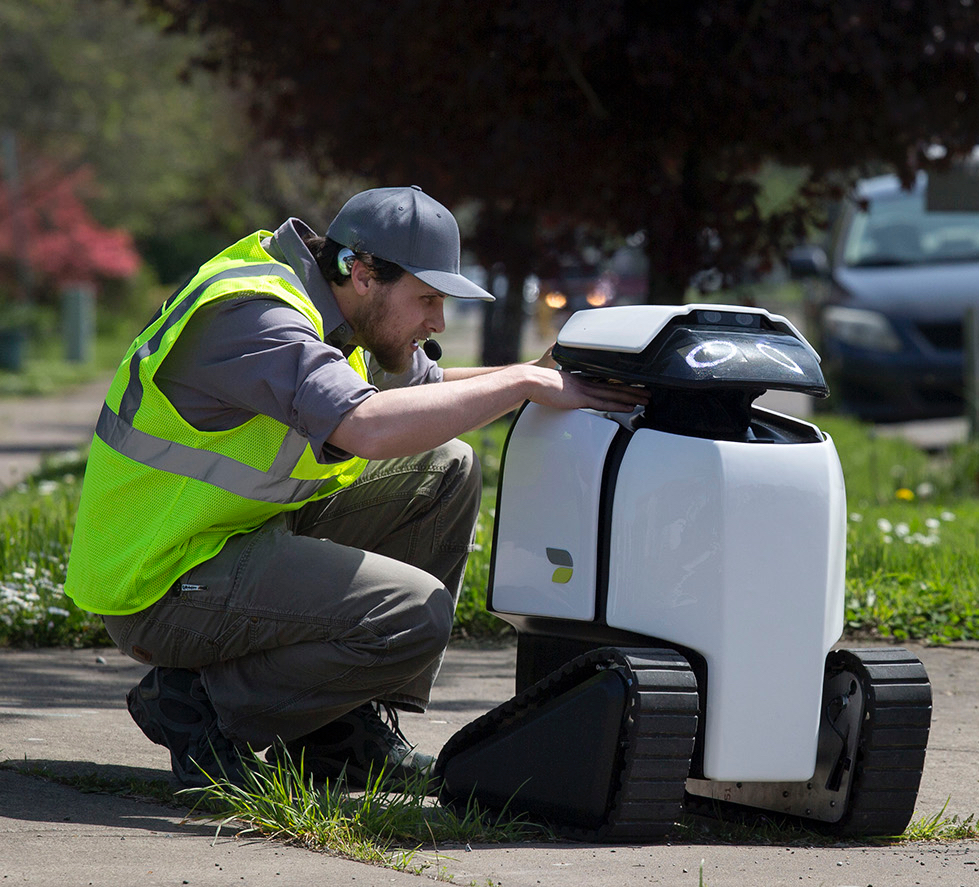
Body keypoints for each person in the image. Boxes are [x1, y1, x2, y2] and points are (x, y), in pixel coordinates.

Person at [64, 186, 647, 788]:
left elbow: (429, 389)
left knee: (445, 466)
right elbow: (365, 425)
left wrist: (545, 374)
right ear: (362, 272)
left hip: (227, 540)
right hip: (159, 581)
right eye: (426, 299)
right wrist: (521, 385)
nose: (438, 321)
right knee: (412, 614)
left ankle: (339, 736)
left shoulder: (341, 312)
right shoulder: (254, 315)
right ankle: (197, 703)